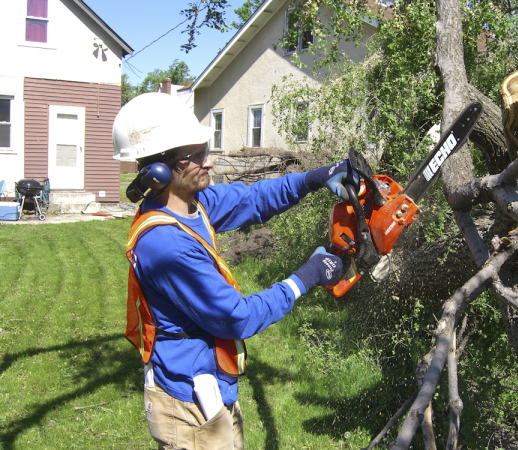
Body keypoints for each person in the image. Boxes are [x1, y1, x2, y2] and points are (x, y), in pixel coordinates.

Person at [112, 93, 356, 450]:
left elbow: (252, 200)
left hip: (209, 386)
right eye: (195, 156)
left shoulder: (193, 204)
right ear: (159, 171)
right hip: (190, 406)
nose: (208, 161)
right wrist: (308, 276)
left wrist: (315, 178)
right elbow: (235, 317)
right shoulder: (166, 244)